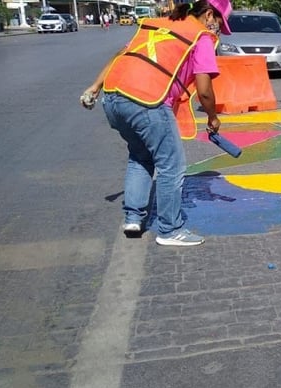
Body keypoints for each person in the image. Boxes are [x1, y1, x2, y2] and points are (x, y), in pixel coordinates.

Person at [80, 0, 232, 246]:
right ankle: (170, 229)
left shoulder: (161, 24)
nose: (217, 30)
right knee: (172, 165)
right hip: (148, 101)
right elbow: (204, 90)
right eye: (218, 23)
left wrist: (95, 87)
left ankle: (133, 217)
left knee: (140, 156)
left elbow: (122, 54)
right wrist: (213, 117)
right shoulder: (200, 37)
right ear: (208, 14)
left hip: (113, 97)